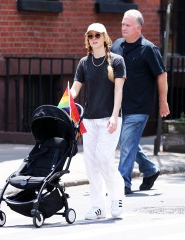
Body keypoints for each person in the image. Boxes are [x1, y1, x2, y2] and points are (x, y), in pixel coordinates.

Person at [111, 9, 170, 194]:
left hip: (139, 107)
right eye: (122, 24)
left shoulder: (149, 49)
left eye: (127, 25)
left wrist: (163, 101)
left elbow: (161, 76)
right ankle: (150, 170)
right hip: (120, 107)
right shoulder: (116, 46)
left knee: (127, 143)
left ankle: (123, 183)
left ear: (138, 28)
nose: (123, 28)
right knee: (128, 142)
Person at [70, 23, 126, 220]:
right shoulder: (84, 63)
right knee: (91, 163)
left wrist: (113, 115)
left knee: (104, 159)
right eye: (90, 36)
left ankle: (117, 196)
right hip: (90, 121)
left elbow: (118, 90)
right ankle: (97, 206)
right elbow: (76, 88)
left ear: (104, 37)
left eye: (97, 35)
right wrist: (70, 96)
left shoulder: (117, 61)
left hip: (109, 119)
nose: (94, 38)